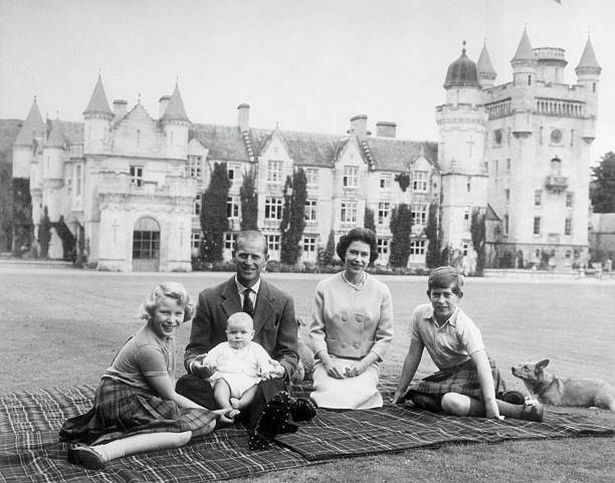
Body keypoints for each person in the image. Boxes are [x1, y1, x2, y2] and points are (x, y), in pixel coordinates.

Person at [59, 283, 228, 470]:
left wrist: (207, 415)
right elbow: (170, 395)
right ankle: (103, 450)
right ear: (151, 312)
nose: (172, 320)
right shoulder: (148, 348)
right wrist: (212, 412)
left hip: (140, 397)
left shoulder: (166, 335)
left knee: (206, 424)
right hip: (119, 400)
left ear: (185, 313)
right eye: (165, 312)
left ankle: (137, 434)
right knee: (183, 434)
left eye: (178, 313)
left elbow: (169, 383)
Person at [176, 230, 299, 428]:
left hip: (259, 384)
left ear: (266, 259)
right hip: (219, 383)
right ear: (234, 255)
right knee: (185, 384)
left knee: (275, 387)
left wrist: (280, 368)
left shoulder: (283, 301)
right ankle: (254, 417)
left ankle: (229, 416)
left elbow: (289, 353)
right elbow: (195, 350)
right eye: (243, 255)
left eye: (255, 256)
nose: (248, 262)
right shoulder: (210, 298)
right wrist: (198, 366)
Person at [392, 266, 543, 422]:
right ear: (428, 295)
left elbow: (482, 363)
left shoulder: (464, 325)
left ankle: (520, 410)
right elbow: (413, 355)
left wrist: (490, 404)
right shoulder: (419, 315)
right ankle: (504, 398)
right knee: (417, 397)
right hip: (449, 375)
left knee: (451, 402)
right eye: (436, 295)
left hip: (477, 371)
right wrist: (400, 390)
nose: (441, 301)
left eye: (447, 295)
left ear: (459, 296)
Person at [309, 227, 393, 409]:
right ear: (344, 254)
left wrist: (364, 365)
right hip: (331, 360)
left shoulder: (381, 290)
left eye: (364, 254)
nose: (358, 259)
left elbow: (385, 337)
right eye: (353, 252)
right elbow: (316, 333)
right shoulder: (325, 287)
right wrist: (328, 362)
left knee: (358, 396)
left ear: (370, 258)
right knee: (330, 395)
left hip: (364, 363)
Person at [203, 312, 275, 419]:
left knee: (256, 388)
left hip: (248, 381)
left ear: (252, 334)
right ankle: (227, 408)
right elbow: (209, 358)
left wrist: (266, 370)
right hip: (227, 379)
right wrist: (210, 364)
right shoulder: (222, 347)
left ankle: (241, 404)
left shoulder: (256, 348)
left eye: (243, 332)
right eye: (233, 332)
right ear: (227, 333)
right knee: (220, 387)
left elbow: (266, 362)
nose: (238, 336)